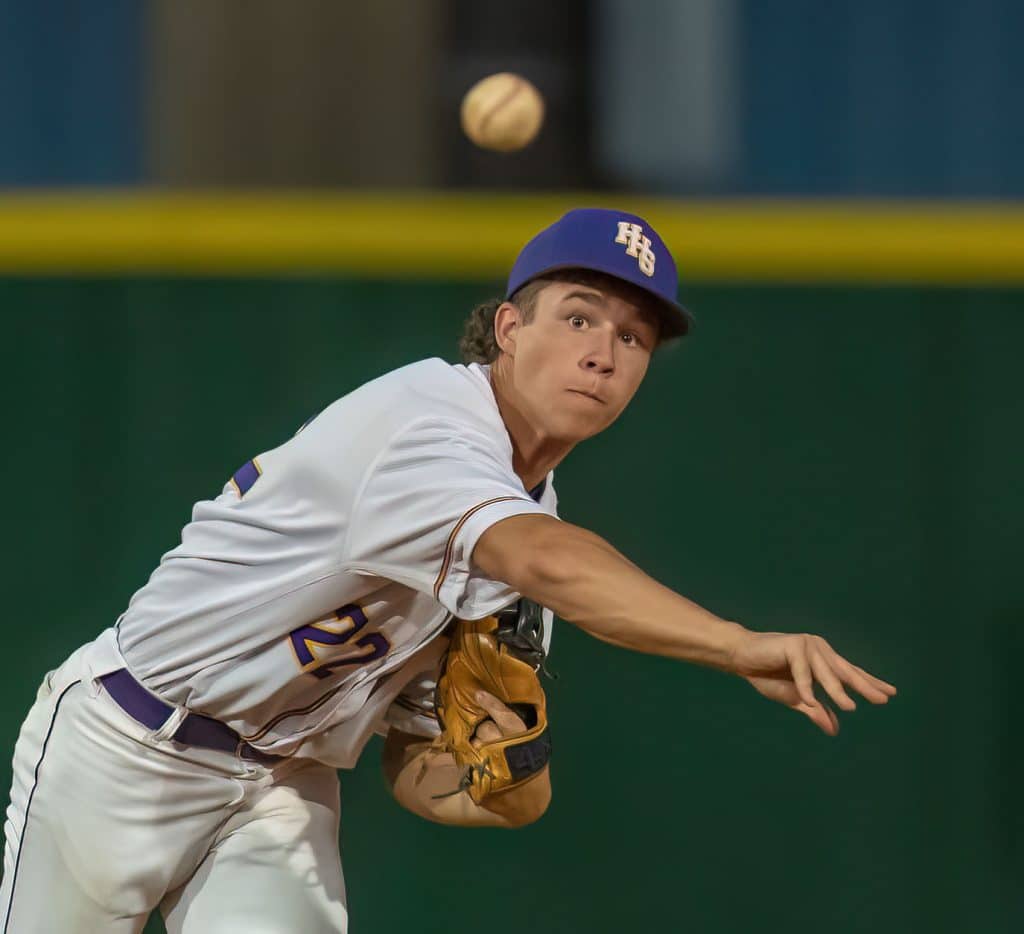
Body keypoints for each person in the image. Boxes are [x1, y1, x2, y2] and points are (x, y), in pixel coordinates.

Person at [0, 208, 895, 933]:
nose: (604, 352)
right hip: (125, 746)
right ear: (508, 327)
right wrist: (736, 645)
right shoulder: (432, 426)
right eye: (579, 315)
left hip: (279, 782)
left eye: (634, 338)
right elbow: (549, 564)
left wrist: (510, 776)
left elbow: (416, 772)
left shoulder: (521, 505)